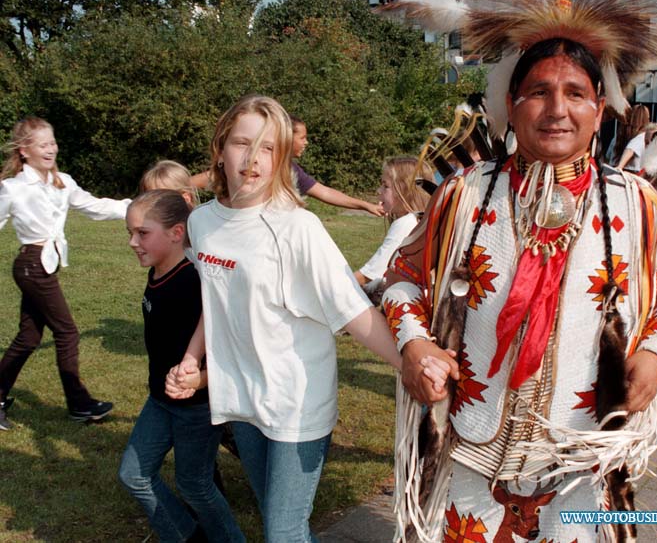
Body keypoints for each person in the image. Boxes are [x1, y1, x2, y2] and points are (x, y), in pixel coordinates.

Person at [380, 0, 657, 541]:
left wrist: (656, 352)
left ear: (600, 107)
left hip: (584, 457)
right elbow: (401, 278)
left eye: (576, 94)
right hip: (473, 449)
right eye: (540, 92)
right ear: (511, 101)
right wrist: (414, 344)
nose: (557, 109)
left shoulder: (635, 203)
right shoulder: (465, 194)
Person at [166, 94, 404, 542]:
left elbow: (354, 310)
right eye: (242, 143)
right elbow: (216, 299)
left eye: (269, 148)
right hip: (243, 400)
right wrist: (190, 358)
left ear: (281, 159)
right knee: (280, 522)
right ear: (220, 148)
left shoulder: (298, 227)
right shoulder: (201, 223)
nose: (253, 159)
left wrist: (410, 365)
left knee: (282, 531)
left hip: (298, 403)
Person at [118, 188, 244, 543]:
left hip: (196, 408)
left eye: (142, 233)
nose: (132, 242)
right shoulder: (159, 271)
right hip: (159, 400)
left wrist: (199, 379)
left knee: (195, 484)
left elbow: (228, 345)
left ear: (176, 233)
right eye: (130, 233)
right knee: (134, 475)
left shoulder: (196, 281)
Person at [0, 117, 128, 430]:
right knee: (67, 332)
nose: (51, 149)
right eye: (43, 144)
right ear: (24, 151)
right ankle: (79, 404)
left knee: (29, 337)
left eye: (53, 142)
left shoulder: (63, 182)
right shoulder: (13, 188)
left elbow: (95, 207)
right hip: (31, 265)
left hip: (45, 264)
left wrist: (137, 205)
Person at [188, 116, 384, 216]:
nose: (306, 142)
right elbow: (193, 182)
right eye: (303, 137)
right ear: (287, 137)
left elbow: (325, 193)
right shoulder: (241, 165)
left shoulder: (292, 170)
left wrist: (365, 205)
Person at [354, 157, 433, 300]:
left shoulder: (406, 223)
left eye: (385, 186)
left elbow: (368, 275)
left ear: (406, 190)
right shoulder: (421, 221)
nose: (379, 190)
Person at [614, 104, 650, 172]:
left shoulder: (619, 136)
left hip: (612, 170)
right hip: (630, 175)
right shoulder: (641, 137)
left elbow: (608, 156)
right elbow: (630, 149)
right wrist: (620, 166)